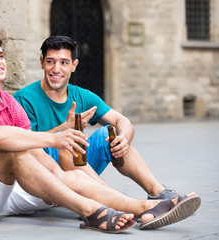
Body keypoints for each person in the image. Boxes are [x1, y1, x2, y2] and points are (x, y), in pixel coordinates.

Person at [0, 33, 200, 233]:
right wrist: (57, 136)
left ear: (73, 65)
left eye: (1, 55)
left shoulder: (9, 103)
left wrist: (62, 170)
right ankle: (91, 212)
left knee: (66, 175)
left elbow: (35, 150)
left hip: (9, 192)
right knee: (15, 151)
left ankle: (147, 206)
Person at [14, 35, 178, 200]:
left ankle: (158, 193)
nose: (56, 69)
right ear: (41, 62)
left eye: (64, 62)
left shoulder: (82, 95)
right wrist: (63, 128)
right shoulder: (24, 98)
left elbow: (122, 121)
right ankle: (116, 201)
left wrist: (124, 139)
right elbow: (24, 146)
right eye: (50, 61)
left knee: (110, 134)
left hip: (77, 168)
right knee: (67, 141)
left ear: (74, 66)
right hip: (42, 176)